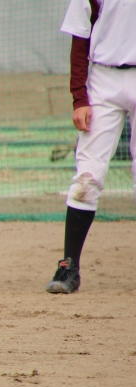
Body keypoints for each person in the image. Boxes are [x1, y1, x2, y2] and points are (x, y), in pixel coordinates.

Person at [46, 0, 136, 294]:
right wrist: (79, 98)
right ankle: (69, 267)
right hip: (103, 80)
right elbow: (79, 40)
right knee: (87, 178)